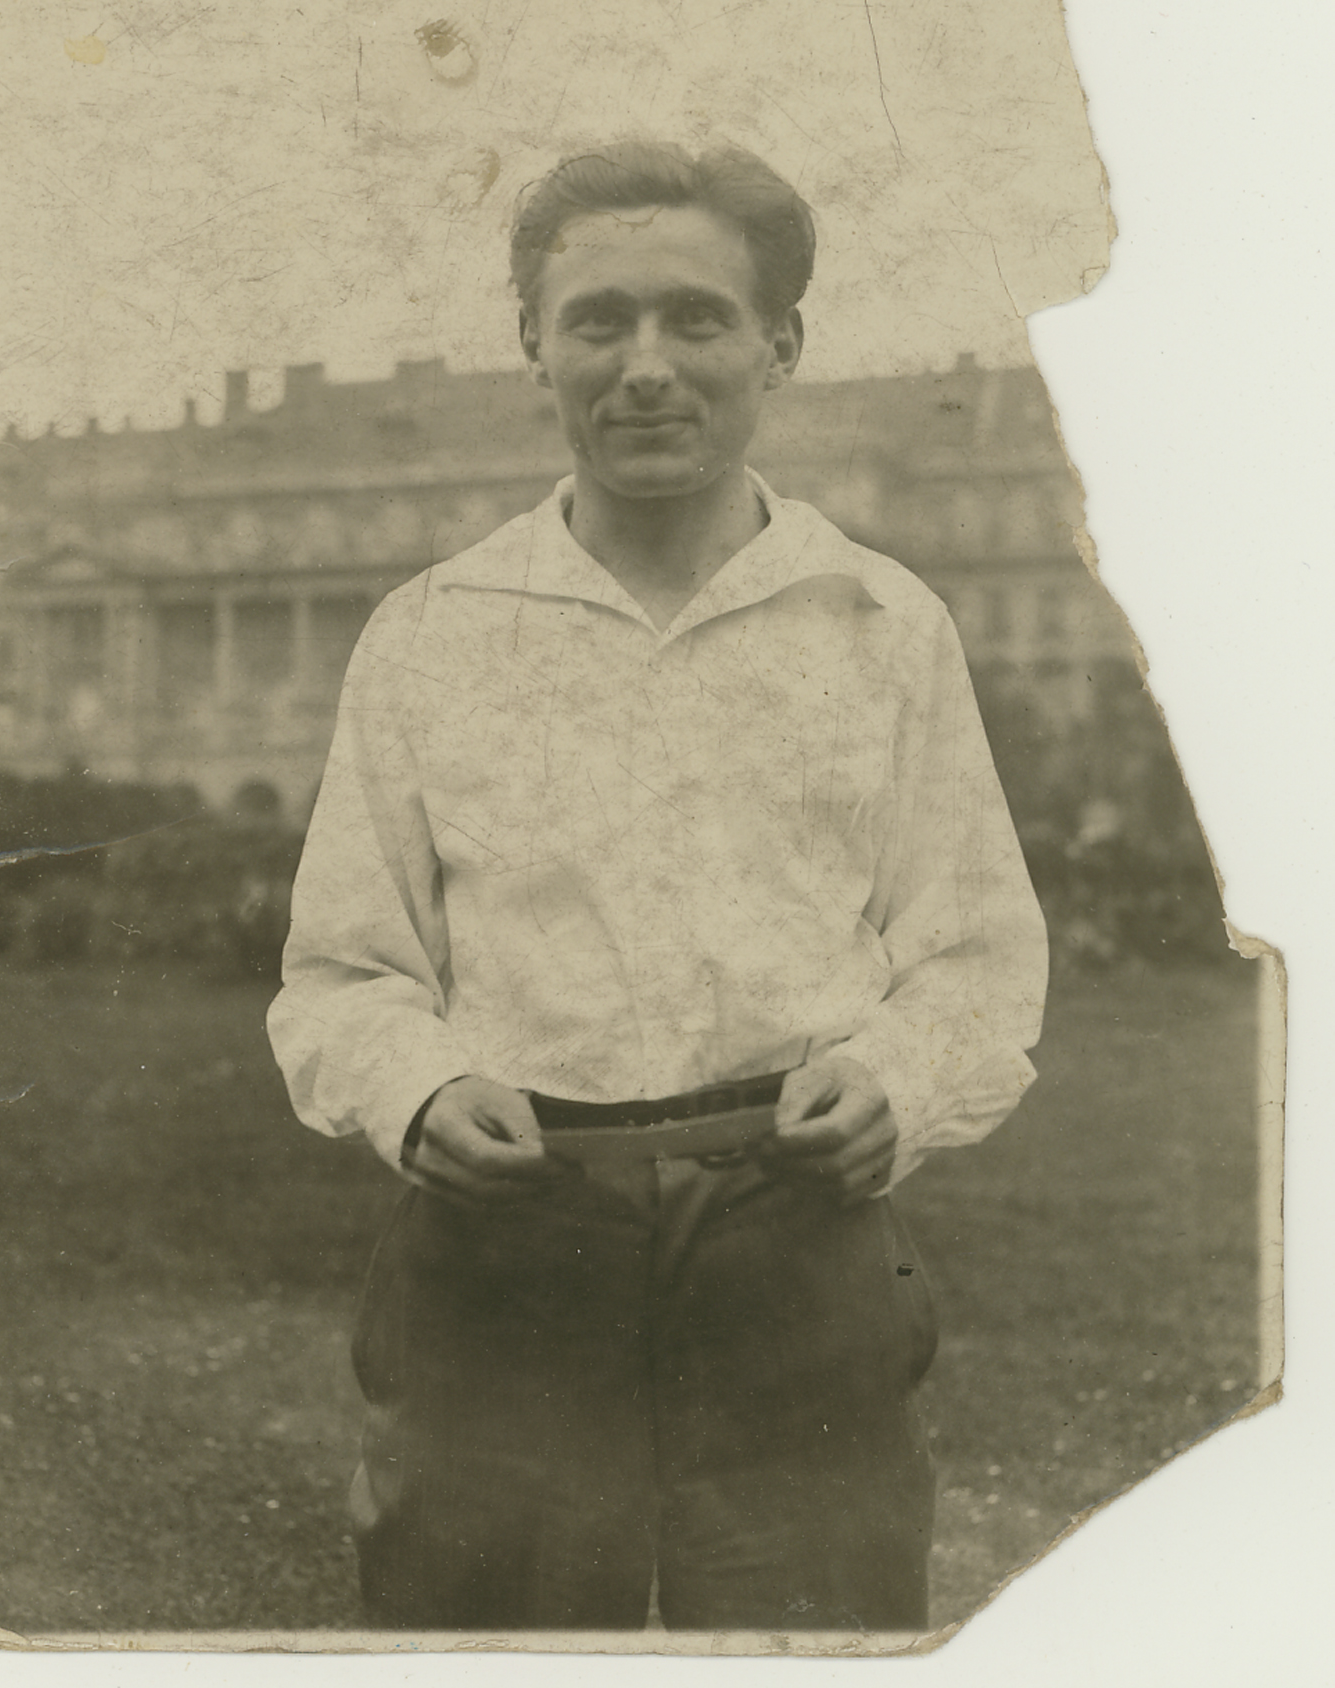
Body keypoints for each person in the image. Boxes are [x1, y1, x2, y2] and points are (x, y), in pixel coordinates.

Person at [267, 141, 1048, 1634]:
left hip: (793, 1227)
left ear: (779, 345)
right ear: (533, 346)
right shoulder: (434, 631)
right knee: (477, 1633)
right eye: (597, 321)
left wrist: (896, 1079)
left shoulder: (880, 624)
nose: (645, 367)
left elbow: (973, 958)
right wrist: (417, 1091)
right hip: (510, 1234)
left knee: (811, 1632)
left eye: (696, 318)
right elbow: (344, 973)